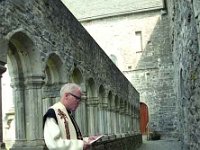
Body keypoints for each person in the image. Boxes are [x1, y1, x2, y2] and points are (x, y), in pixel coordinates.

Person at [43, 83, 93, 150]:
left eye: (80, 99)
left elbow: (71, 138)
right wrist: (80, 145)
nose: (79, 102)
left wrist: (87, 140)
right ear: (66, 95)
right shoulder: (53, 113)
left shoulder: (68, 113)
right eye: (77, 98)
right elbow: (54, 143)